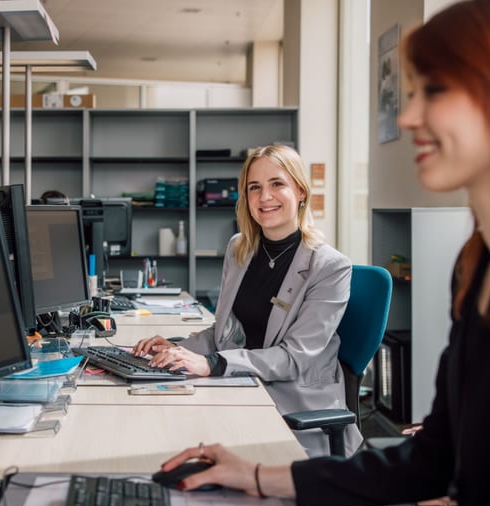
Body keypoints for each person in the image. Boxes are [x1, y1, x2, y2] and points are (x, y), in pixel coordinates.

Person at [107, 1, 490, 506]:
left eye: (436, 92)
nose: (407, 117)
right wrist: (255, 475)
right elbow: (432, 461)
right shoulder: (482, 269)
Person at [133, 144, 361, 457]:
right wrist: (178, 350)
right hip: (242, 385)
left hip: (293, 403)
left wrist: (213, 364)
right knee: (158, 424)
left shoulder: (329, 266)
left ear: (300, 191)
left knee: (185, 441)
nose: (264, 197)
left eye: (277, 184)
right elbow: (226, 332)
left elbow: (295, 358)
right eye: (254, 187)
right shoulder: (239, 248)